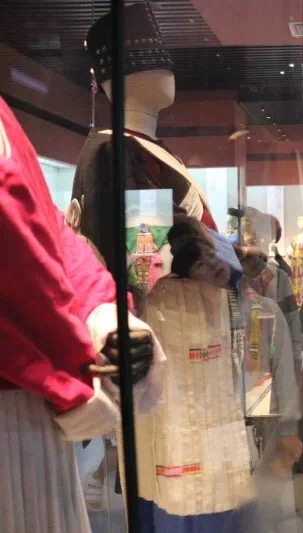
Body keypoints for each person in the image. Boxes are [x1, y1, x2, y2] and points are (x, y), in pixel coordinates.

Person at [0, 96, 162, 532]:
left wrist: (104, 314)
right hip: (24, 394)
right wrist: (71, 375)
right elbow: (18, 242)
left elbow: (47, 230)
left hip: (44, 390)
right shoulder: (108, 149)